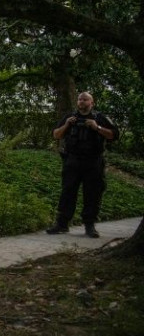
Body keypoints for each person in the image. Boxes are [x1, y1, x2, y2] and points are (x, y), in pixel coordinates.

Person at [47, 91, 119, 238]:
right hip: (72, 160)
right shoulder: (70, 117)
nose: (81, 102)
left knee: (92, 193)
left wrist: (97, 127)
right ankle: (61, 224)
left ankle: (89, 225)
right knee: (67, 192)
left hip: (93, 162)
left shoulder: (100, 118)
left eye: (85, 99)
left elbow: (114, 135)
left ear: (92, 103)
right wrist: (67, 125)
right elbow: (56, 135)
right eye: (80, 99)